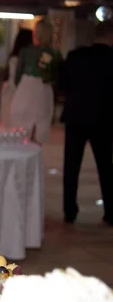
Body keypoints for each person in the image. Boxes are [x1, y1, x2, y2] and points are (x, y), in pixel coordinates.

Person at [61, 20, 113, 225]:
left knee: (71, 167)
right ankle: (111, 212)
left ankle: (69, 211)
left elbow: (63, 84)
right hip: (103, 120)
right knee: (106, 168)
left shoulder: (75, 56)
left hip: (76, 117)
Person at [8, 20, 63, 144]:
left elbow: (18, 76)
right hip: (43, 91)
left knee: (21, 128)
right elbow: (57, 76)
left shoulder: (25, 51)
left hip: (25, 89)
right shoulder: (54, 54)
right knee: (39, 127)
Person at [0, 28, 33, 127]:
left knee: (9, 124)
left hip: (9, 93)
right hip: (15, 94)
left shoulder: (13, 57)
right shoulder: (19, 59)